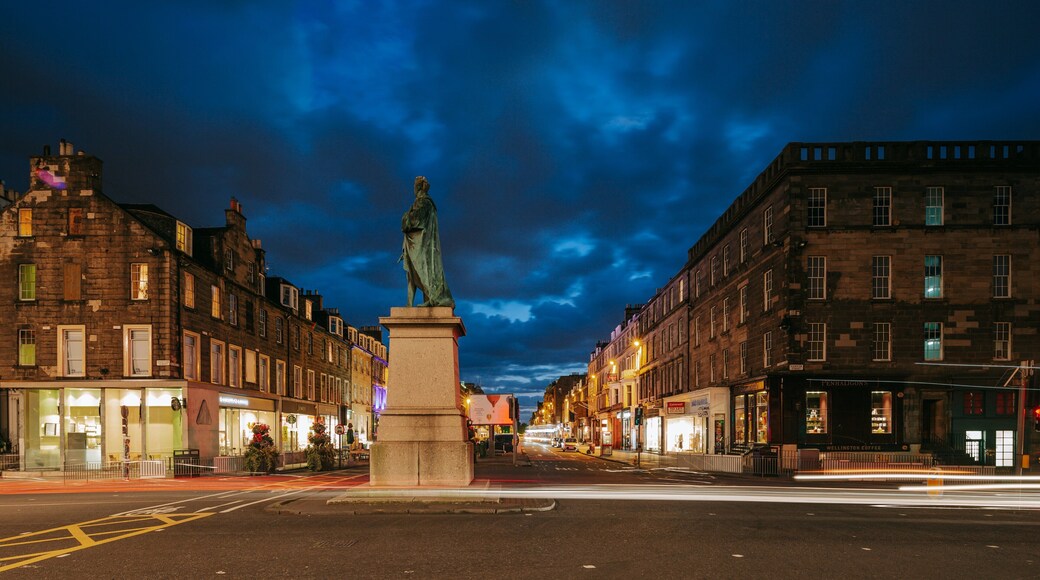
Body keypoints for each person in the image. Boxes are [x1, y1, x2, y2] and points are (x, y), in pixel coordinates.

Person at [399, 176, 455, 308]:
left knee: (422, 271)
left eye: (414, 186)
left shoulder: (423, 203)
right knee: (415, 273)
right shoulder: (427, 204)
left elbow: (414, 221)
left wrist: (405, 216)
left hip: (420, 245)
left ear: (417, 187)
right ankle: (412, 303)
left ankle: (431, 298)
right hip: (420, 243)